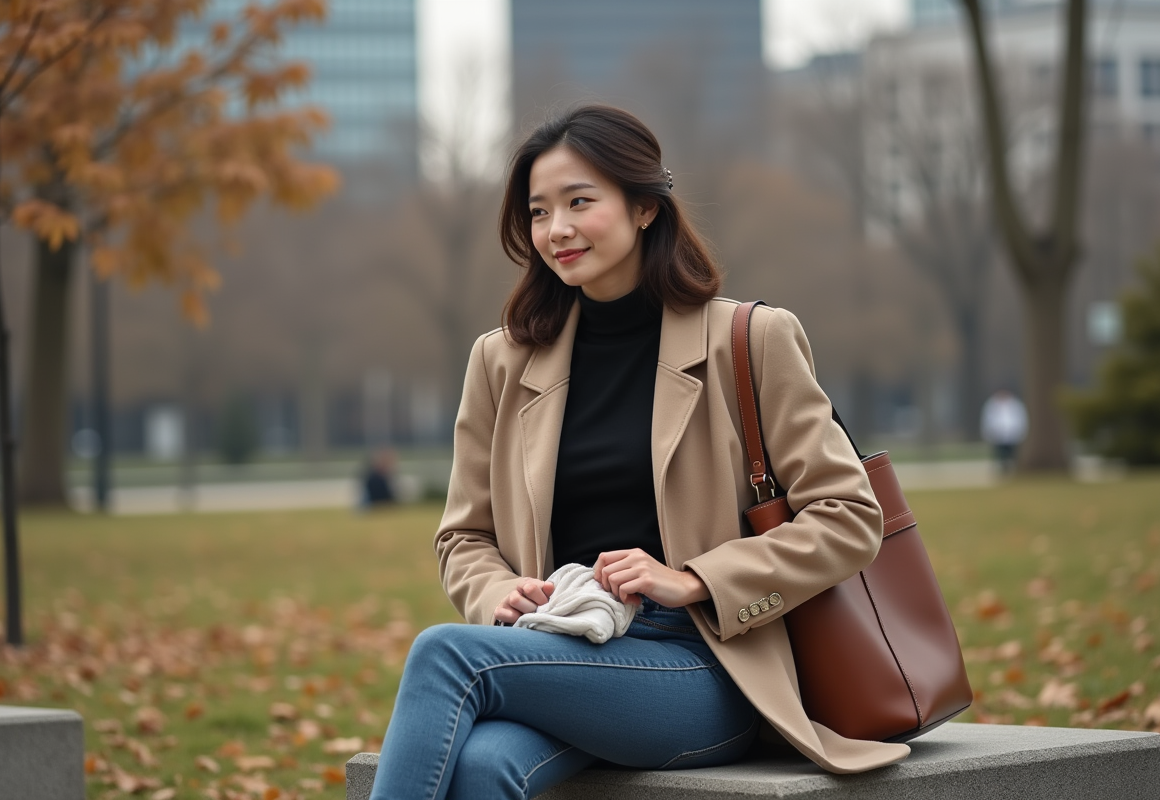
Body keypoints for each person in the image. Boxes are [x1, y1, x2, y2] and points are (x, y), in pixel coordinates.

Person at [369, 105, 908, 799]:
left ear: (645, 207)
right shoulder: (500, 361)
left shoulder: (751, 340)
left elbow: (849, 517)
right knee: (482, 767)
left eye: (579, 202)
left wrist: (696, 579)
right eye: (538, 212)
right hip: (557, 643)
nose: (556, 230)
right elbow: (464, 536)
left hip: (705, 663)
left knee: (444, 653)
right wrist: (498, 591)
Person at [980, 389, 1028, 475]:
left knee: (1012, 455)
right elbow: (987, 420)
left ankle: (1011, 470)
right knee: (1000, 455)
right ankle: (1002, 470)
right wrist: (989, 433)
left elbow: (1021, 419)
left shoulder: (1015, 404)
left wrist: (1020, 432)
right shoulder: (992, 404)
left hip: (1012, 434)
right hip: (998, 435)